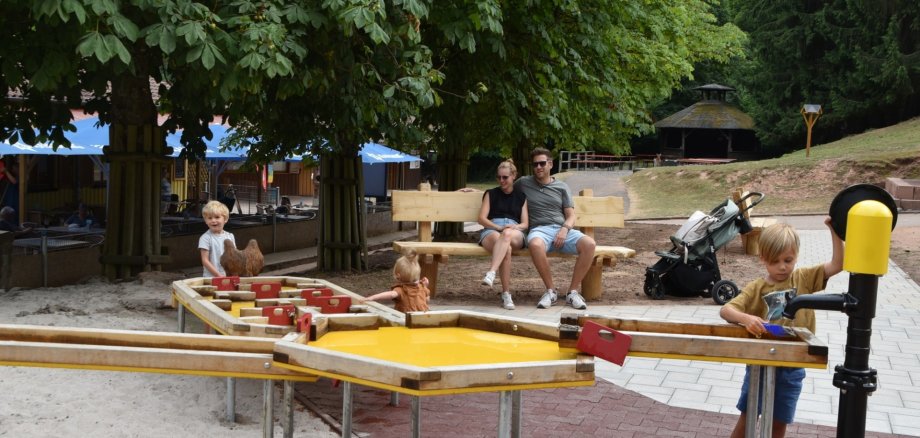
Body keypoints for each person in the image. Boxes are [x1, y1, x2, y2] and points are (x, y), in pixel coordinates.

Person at [719, 219, 844, 438]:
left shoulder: (803, 278)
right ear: (763, 259)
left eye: (788, 260)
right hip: (761, 363)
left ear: (796, 255)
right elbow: (726, 310)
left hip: (792, 366)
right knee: (748, 418)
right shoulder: (757, 288)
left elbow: (837, 264)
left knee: (779, 423)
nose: (782, 266)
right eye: (775, 261)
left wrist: (834, 231)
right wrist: (747, 318)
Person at [514, 147, 596, 310]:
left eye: (542, 163)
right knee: (535, 244)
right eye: (535, 164)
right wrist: (473, 191)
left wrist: (564, 229)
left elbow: (571, 215)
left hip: (562, 229)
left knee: (589, 244)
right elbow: (504, 188)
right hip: (539, 230)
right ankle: (551, 291)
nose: (538, 167)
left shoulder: (561, 187)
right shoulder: (523, 183)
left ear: (550, 164)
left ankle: (572, 292)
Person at [477, 159, 528, 310]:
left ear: (513, 176)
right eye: (499, 177)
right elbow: (481, 219)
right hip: (492, 229)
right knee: (507, 249)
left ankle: (491, 272)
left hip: (515, 231)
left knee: (507, 235)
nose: (501, 180)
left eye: (505, 177)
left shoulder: (521, 197)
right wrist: (498, 227)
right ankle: (506, 294)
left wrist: (514, 227)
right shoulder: (491, 194)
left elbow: (525, 224)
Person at [360, 249, 430, 312]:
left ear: (398, 275)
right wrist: (425, 287)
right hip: (423, 319)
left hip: (406, 320)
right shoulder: (422, 287)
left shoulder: (401, 290)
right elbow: (427, 300)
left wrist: (372, 297)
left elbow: (390, 294)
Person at [198, 200, 236, 278]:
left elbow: (234, 256)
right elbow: (205, 260)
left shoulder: (230, 236)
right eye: (210, 218)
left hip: (228, 276)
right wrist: (219, 276)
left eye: (217, 217)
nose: (213, 220)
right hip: (211, 278)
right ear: (206, 221)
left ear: (225, 219)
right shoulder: (205, 238)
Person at [0, 206, 33, 291]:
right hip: (4, 248)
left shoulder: (7, 222)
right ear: (6, 215)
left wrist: (22, 227)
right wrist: (25, 231)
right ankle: (4, 287)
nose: (12, 216)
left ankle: (4, 286)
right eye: (11, 215)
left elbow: (15, 228)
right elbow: (13, 233)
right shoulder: (3, 223)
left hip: (6, 248)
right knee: (6, 266)